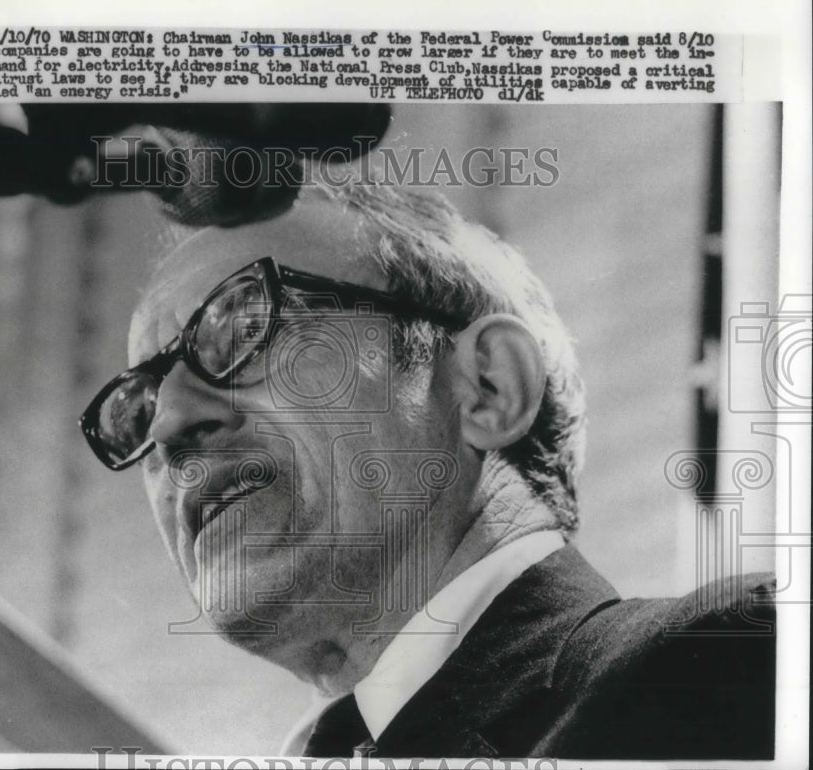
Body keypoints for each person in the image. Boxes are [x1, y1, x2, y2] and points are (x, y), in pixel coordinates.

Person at [80, 179, 775, 760]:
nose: (169, 423)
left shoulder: (739, 662)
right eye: (135, 410)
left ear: (488, 388)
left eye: (242, 326)